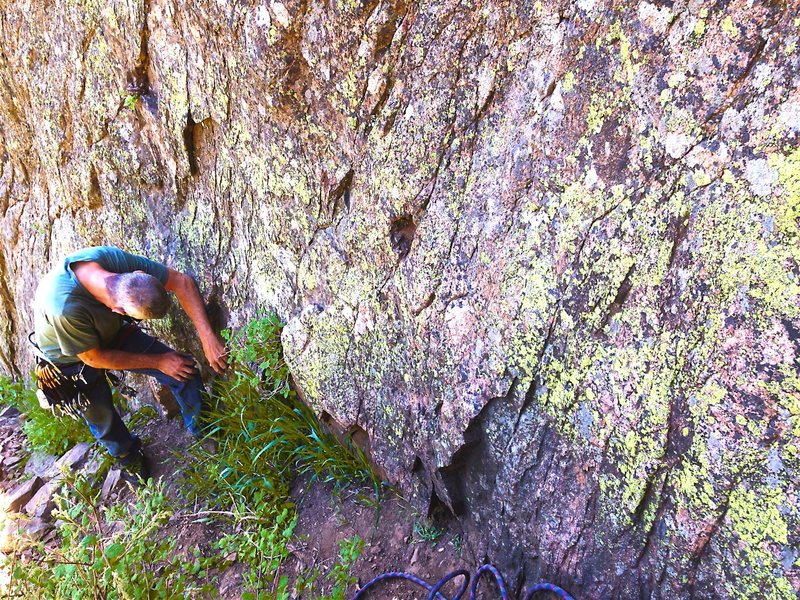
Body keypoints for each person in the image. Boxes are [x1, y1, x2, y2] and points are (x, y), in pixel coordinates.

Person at [32, 246, 227, 481]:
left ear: (135, 273)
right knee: (102, 418)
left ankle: (207, 434)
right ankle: (129, 457)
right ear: (118, 310)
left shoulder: (112, 260)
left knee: (182, 370)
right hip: (71, 361)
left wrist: (207, 337)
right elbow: (94, 358)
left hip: (111, 333)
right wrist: (159, 362)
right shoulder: (64, 308)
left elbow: (181, 282)